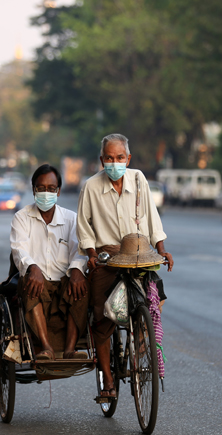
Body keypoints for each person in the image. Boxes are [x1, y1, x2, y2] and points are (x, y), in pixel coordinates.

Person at [77, 133, 174, 397]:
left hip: (138, 254)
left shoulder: (139, 179)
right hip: (107, 257)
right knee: (102, 316)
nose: (114, 162)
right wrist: (91, 254)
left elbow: (152, 218)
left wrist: (162, 249)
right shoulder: (91, 187)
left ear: (128, 159)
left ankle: (141, 339)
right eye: (109, 158)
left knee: (154, 298)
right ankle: (108, 380)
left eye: (120, 158)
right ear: (102, 160)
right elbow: (84, 227)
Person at [10, 164, 89, 361]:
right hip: (39, 283)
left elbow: (80, 250)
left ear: (59, 191)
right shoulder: (21, 217)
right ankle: (46, 348)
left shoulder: (71, 219)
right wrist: (32, 267)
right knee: (28, 284)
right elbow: (19, 249)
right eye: (41, 188)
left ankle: (70, 350)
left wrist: (78, 270)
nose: (46, 193)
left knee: (81, 287)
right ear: (34, 190)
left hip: (64, 282)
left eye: (51, 188)